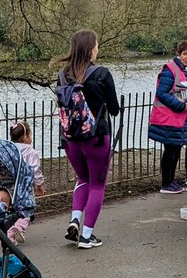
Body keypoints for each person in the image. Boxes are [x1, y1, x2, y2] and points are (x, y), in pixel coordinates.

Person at [57, 30, 121, 249]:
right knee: (97, 184)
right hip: (96, 138)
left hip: (71, 139)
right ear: (91, 48)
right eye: (97, 45)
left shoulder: (63, 74)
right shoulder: (102, 74)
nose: (98, 49)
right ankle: (86, 235)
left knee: (81, 178)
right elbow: (114, 109)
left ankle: (74, 219)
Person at [149, 40, 187, 194]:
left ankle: (171, 181)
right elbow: (161, 93)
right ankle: (166, 183)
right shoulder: (170, 70)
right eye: (185, 54)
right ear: (179, 54)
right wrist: (180, 105)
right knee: (170, 150)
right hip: (170, 117)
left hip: (182, 117)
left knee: (175, 149)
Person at [7, 121, 45, 244]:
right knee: (26, 209)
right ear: (26, 137)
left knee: (10, 209)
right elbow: (35, 170)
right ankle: (18, 228)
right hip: (25, 186)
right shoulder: (31, 152)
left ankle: (9, 234)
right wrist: (39, 184)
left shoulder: (8, 149)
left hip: (9, 185)